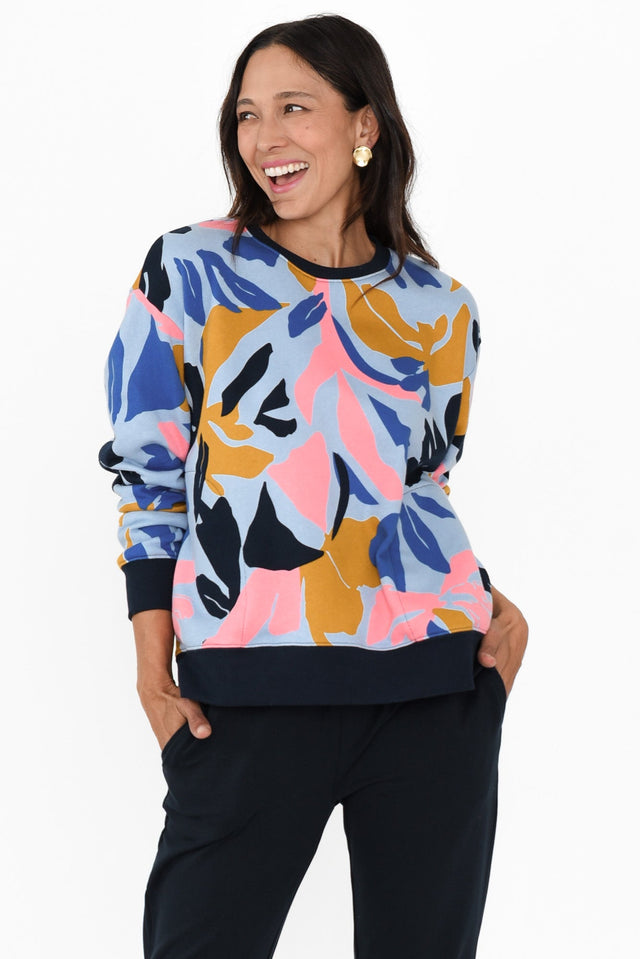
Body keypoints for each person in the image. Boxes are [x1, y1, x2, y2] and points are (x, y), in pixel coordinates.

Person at [100, 14, 528, 958]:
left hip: (433, 692)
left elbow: (420, 486)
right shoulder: (191, 269)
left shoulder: (439, 306)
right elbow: (148, 472)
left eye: (294, 107)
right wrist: (152, 667)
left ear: (364, 124)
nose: (265, 137)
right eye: (248, 114)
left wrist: (495, 622)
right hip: (246, 696)